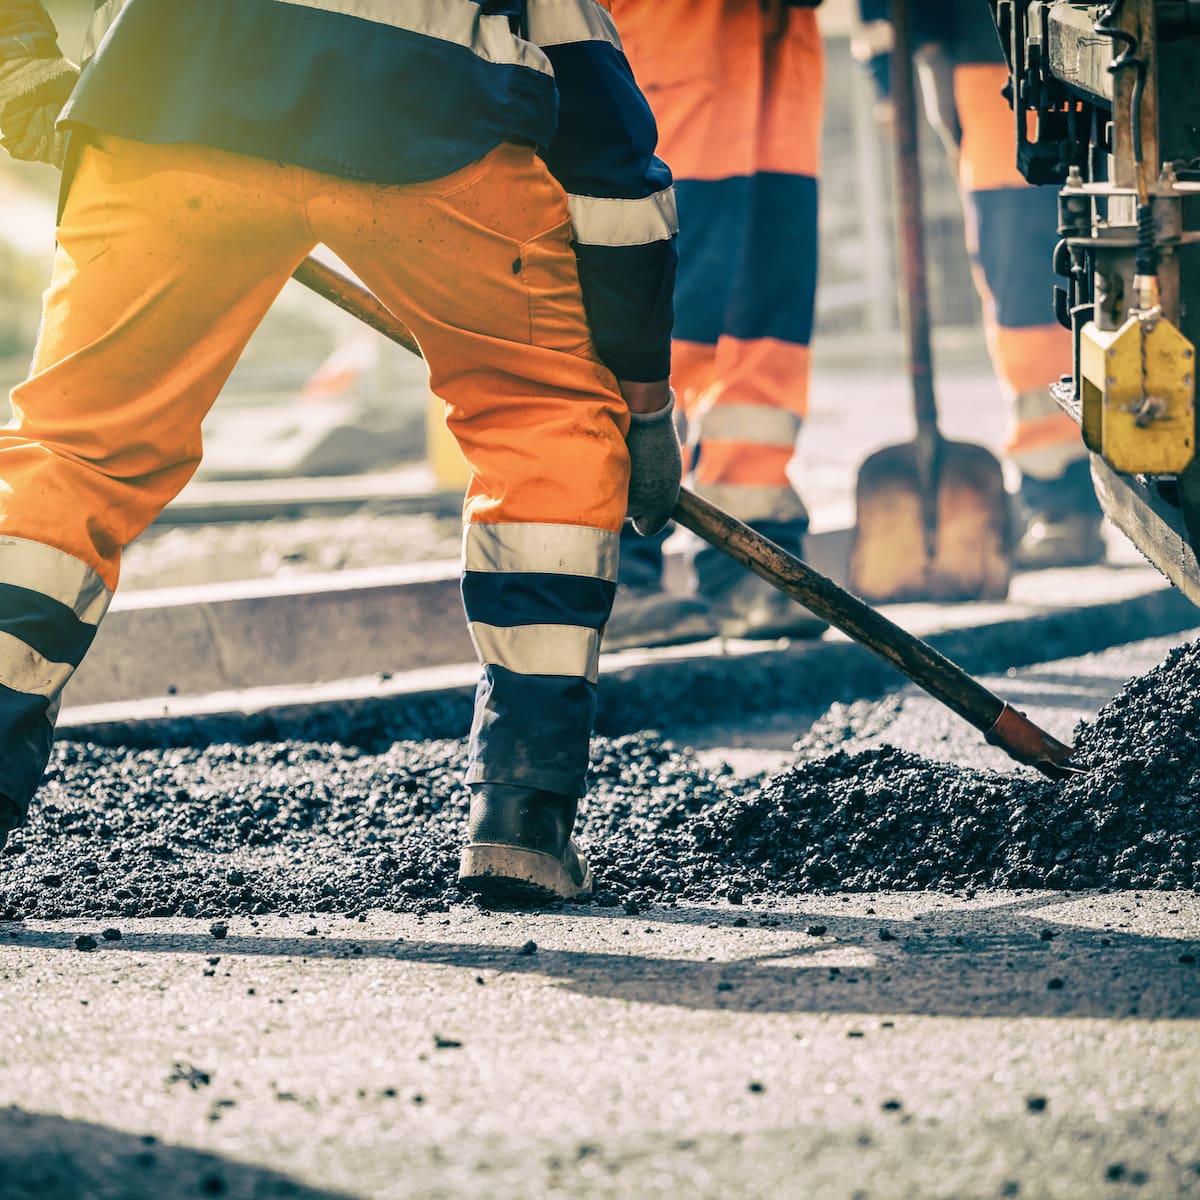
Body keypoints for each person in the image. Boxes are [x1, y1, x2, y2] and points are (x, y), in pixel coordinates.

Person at [0, 0, 682, 903]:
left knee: (77, 447)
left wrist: (18, 68)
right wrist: (640, 400)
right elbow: (605, 147)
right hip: (430, 109)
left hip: (173, 87)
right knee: (543, 417)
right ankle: (523, 813)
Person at [603, 0, 829, 648]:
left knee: (766, 311)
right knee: (658, 285)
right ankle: (607, 570)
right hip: (666, 28)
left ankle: (748, 557)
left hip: (775, 31)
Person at [854, 1, 1106, 568]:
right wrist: (895, 71)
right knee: (1028, 290)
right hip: (997, 59)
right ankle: (1061, 493)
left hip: (1133, 48)